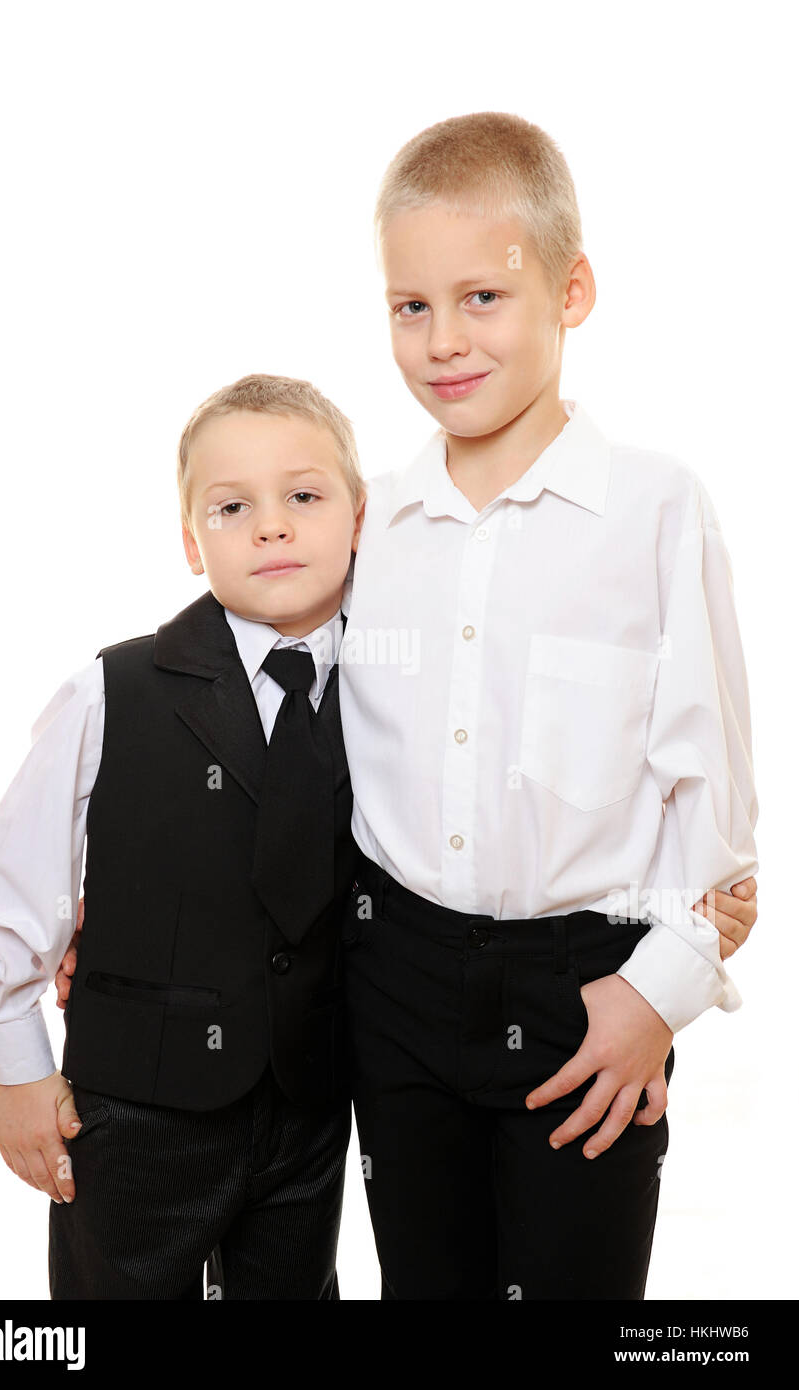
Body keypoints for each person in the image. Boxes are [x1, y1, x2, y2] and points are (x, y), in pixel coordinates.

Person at [333, 111, 760, 1299]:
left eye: (483, 298)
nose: (441, 341)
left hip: (590, 990)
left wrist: (653, 998)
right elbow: (268, 731)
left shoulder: (655, 511)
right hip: (396, 978)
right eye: (409, 306)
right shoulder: (369, 525)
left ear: (571, 292)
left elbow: (715, 815)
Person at [0, 373, 367, 1299]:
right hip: (137, 1110)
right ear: (190, 542)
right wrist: (19, 1073)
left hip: (308, 1115)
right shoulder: (115, 690)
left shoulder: (396, 692)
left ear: (359, 515)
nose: (271, 525)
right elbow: (12, 889)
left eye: (303, 495)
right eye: (231, 506)